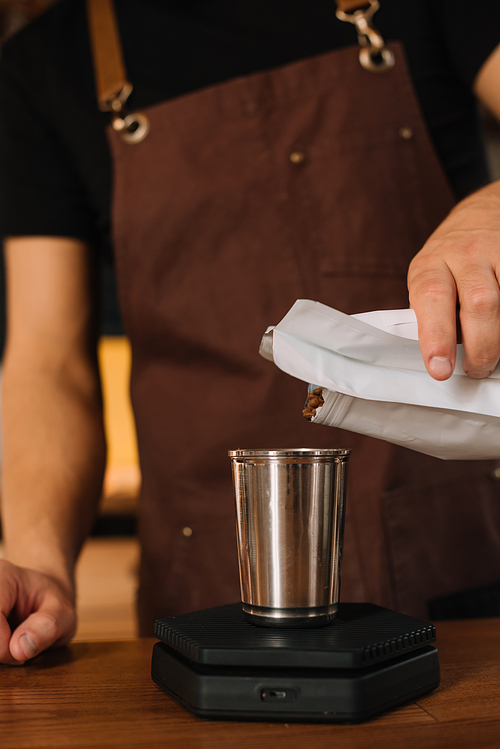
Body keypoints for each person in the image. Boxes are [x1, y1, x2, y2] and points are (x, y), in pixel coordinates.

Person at [1, 0, 500, 666]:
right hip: (205, 599)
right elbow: (47, 364)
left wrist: (491, 205)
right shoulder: (46, 64)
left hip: (458, 578)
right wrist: (38, 564)